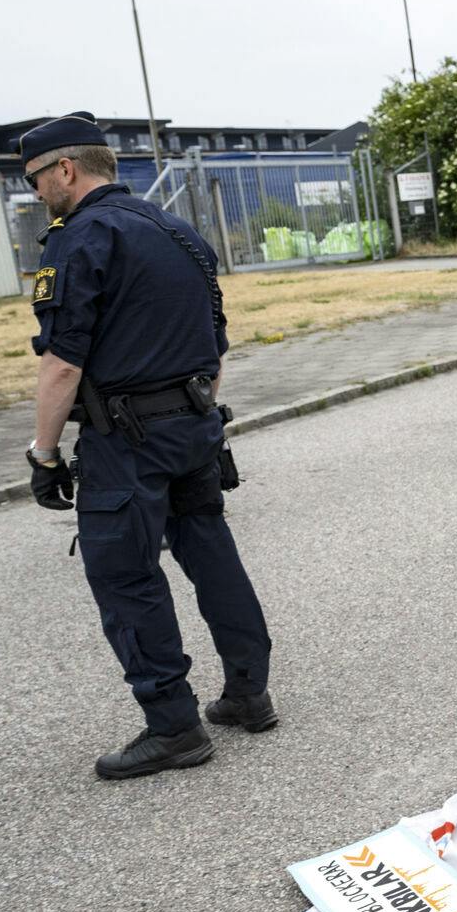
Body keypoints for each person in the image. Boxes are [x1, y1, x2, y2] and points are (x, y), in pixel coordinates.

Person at [19, 111, 275, 780]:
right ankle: (249, 691)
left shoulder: (79, 240)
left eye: (36, 178)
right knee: (210, 552)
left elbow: (62, 365)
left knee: (125, 574)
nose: (35, 192)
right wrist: (198, 410)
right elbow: (217, 341)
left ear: (66, 169)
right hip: (194, 425)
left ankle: (173, 725)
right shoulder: (178, 230)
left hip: (125, 439)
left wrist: (44, 452)